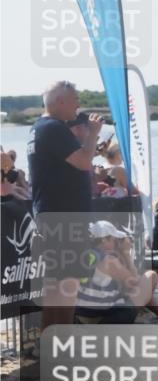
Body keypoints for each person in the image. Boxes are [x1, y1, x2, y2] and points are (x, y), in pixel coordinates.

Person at [27, 81, 103, 329]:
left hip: (53, 214)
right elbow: (84, 162)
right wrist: (93, 133)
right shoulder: (53, 127)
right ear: (60, 101)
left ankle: (50, 339)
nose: (78, 105)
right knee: (67, 283)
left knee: (56, 285)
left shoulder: (40, 127)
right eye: (75, 99)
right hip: (64, 216)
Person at [75, 220, 158, 329]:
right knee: (151, 276)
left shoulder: (84, 255)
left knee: (129, 290)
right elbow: (134, 283)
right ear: (104, 240)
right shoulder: (109, 260)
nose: (116, 243)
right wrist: (126, 253)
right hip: (103, 321)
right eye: (114, 239)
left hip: (81, 317)